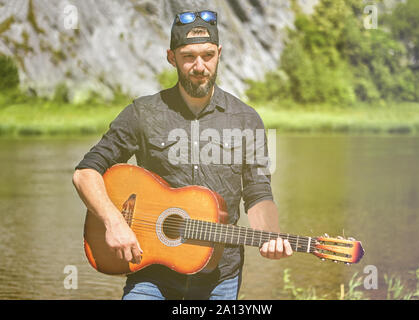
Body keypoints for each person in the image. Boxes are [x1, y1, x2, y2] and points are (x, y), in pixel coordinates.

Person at [72, 9, 292, 300]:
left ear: (219, 53)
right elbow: (85, 173)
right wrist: (114, 222)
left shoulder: (246, 118)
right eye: (188, 56)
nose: (199, 66)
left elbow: (258, 189)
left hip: (220, 276)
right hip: (151, 271)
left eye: (208, 55)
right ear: (171, 57)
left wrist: (269, 233)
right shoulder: (143, 113)